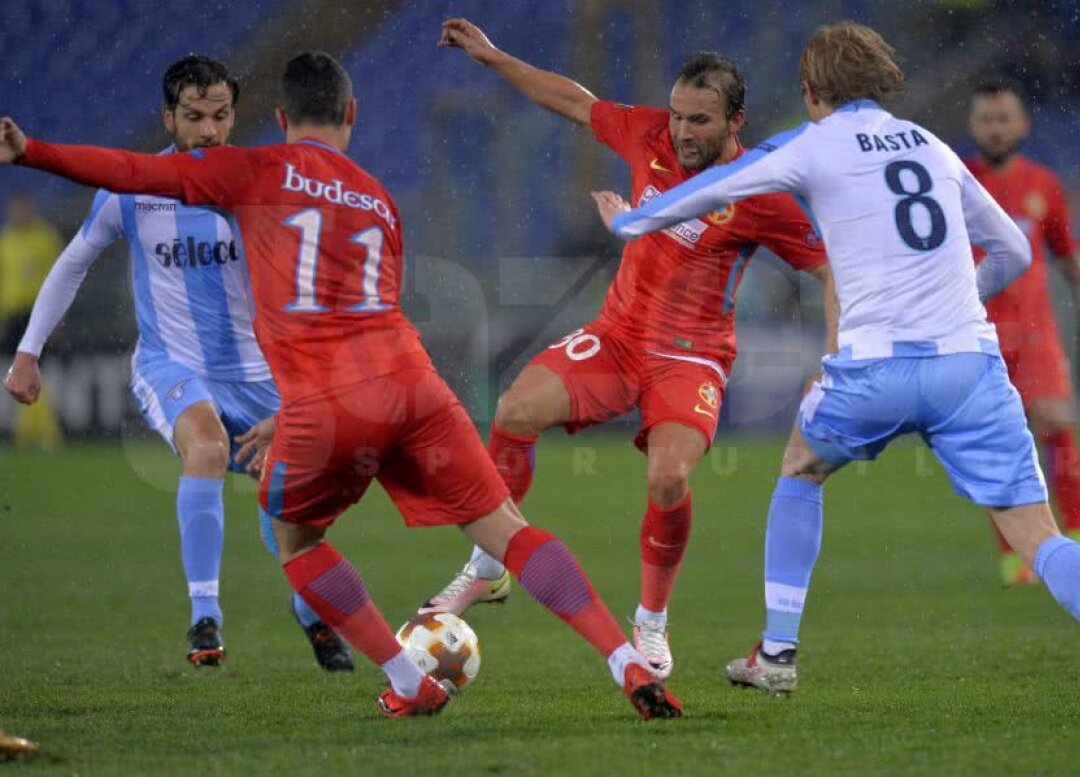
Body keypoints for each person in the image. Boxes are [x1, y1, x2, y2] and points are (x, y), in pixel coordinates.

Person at [0, 51, 681, 720]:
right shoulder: (379, 199)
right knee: (507, 530)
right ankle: (625, 658)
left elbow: (128, 171)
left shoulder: (252, 170)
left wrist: (32, 150)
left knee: (296, 542)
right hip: (415, 385)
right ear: (351, 115)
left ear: (276, 116)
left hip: (328, 403)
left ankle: (405, 678)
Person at [593, 21, 1080, 718]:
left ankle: (778, 653)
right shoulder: (934, 146)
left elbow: (721, 183)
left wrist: (631, 223)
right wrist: (961, 302)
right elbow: (1012, 249)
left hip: (874, 367)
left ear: (811, 91)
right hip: (968, 367)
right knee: (1037, 530)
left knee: (800, 468)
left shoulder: (814, 142)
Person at [428, 18, 834, 679]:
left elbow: (825, 268)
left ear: (737, 121)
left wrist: (841, 348)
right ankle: (491, 560)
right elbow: (573, 101)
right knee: (512, 410)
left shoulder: (762, 190)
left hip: (692, 354)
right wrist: (494, 55)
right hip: (617, 336)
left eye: (699, 120)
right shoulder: (647, 134)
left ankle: (651, 620)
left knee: (668, 477)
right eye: (677, 116)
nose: (681, 132)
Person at [2, 56, 353, 673]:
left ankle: (309, 610)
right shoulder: (134, 190)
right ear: (168, 117)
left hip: (259, 373)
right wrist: (29, 351)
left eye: (220, 116)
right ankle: (204, 618)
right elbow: (75, 261)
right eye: (193, 117)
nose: (209, 131)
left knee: (285, 499)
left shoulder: (256, 184)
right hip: (173, 362)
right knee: (208, 450)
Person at [966, 81, 1080, 585]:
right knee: (995, 440)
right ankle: (1014, 553)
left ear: (1022, 125)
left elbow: (1065, 247)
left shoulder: (1043, 185)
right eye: (987, 119)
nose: (996, 127)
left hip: (1034, 328)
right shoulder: (957, 179)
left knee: (1056, 420)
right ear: (973, 127)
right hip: (978, 328)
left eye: (1004, 118)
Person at [0, 193, 63, 451]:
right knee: (14, 371)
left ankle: (43, 432)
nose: (20, 214)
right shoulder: (5, 241)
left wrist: (57, 317)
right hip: (13, 314)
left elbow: (59, 280)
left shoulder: (46, 239)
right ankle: (21, 430)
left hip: (38, 314)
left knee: (40, 371)